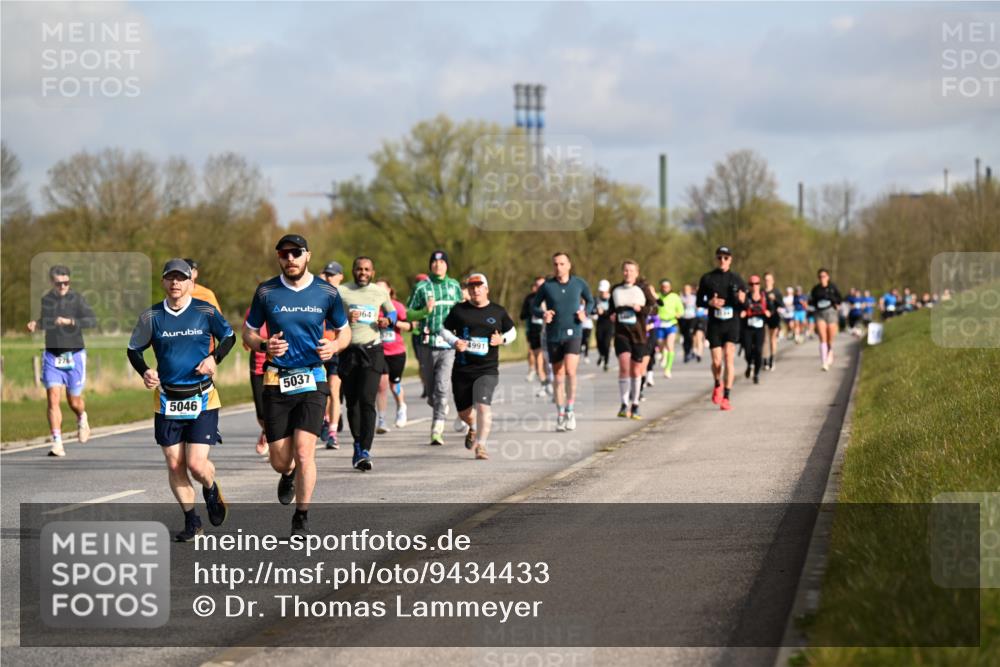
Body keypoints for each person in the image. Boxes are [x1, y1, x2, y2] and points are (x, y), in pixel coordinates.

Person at [242, 234, 350, 536]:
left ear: (308, 256)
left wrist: (335, 347)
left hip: (313, 378)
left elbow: (344, 331)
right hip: (276, 380)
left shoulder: (326, 292)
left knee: (304, 453)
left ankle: (301, 516)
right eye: (284, 254)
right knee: (280, 460)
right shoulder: (266, 291)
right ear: (278, 257)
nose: (290, 259)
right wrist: (264, 344)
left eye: (296, 253)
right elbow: (248, 333)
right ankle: (287, 474)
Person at [127, 259, 236, 542]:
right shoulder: (151, 316)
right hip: (167, 399)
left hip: (202, 396)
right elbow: (133, 349)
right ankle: (192, 521)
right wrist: (145, 371)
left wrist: (214, 358)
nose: (175, 283)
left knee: (197, 465)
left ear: (190, 282)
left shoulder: (205, 310)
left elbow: (229, 336)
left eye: (181, 278)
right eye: (170, 278)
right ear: (163, 282)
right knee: (175, 464)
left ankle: (211, 489)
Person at [440, 273, 517, 460]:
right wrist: (454, 341)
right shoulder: (459, 310)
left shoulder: (497, 311)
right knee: (464, 412)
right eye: (472, 287)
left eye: (479, 286)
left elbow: (512, 332)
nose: (475, 290)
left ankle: (481, 445)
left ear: (486, 289)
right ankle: (473, 426)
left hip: (487, 369)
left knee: (483, 406)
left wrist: (502, 339)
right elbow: (443, 329)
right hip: (462, 369)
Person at [26, 265, 97, 457]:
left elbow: (91, 321)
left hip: (74, 355)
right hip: (52, 355)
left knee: (74, 401)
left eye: (66, 282)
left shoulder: (78, 299)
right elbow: (46, 321)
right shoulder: (47, 300)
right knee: (53, 398)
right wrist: (36, 324)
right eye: (59, 283)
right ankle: (57, 442)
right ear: (52, 282)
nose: (63, 286)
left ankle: (82, 417)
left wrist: (70, 321)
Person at [338, 257, 397, 470]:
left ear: (372, 272)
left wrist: (388, 321)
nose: (363, 272)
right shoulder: (342, 291)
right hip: (348, 352)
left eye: (366, 269)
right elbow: (328, 318)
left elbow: (392, 312)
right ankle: (357, 443)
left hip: (372, 351)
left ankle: (365, 449)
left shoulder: (379, 292)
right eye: (359, 269)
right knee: (352, 403)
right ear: (353, 270)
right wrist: (345, 317)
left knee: (367, 400)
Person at [531, 252, 595, 432]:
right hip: (553, 335)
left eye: (561, 264)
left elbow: (590, 301)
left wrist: (585, 312)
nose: (558, 267)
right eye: (555, 264)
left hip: (574, 332)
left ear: (569, 265)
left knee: (570, 371)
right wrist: (543, 314)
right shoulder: (547, 286)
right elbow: (534, 306)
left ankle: (570, 410)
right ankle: (560, 414)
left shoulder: (579, 283)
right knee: (558, 375)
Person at [406, 251, 463, 446]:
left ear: (447, 265)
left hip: (448, 345)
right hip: (427, 343)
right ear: (430, 265)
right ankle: (438, 403)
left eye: (442, 262)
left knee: (442, 386)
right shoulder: (421, 287)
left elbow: (462, 311)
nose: (438, 265)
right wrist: (425, 311)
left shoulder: (454, 286)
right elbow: (408, 314)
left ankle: (437, 429)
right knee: (431, 392)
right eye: (435, 262)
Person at [696, 245, 747, 411]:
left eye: (726, 258)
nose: (722, 260)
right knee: (717, 362)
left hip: (732, 323)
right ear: (716, 259)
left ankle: (726, 397)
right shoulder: (707, 278)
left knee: (728, 357)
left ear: (730, 260)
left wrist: (742, 300)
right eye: (719, 257)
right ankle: (717, 383)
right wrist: (710, 303)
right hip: (715, 324)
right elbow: (699, 301)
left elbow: (745, 304)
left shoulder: (737, 279)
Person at [610, 260, 657, 419]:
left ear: (636, 273)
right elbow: (611, 309)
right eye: (625, 270)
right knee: (624, 366)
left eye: (631, 271)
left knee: (636, 370)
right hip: (621, 333)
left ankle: (635, 404)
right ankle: (624, 405)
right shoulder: (616, 290)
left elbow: (654, 309)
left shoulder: (642, 289)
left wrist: (641, 309)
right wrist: (611, 314)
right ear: (622, 272)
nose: (628, 273)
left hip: (638, 335)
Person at [375, 279, 410, 432]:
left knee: (394, 385)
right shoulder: (372, 306)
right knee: (381, 385)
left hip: (396, 352)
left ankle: (401, 406)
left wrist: (391, 322)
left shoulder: (397, 306)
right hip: (379, 351)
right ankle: (381, 420)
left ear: (389, 290)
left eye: (383, 289)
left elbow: (409, 326)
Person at [318, 261, 346, 449]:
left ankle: (333, 433)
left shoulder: (344, 296)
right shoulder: (317, 294)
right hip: (318, 349)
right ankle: (326, 419)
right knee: (323, 391)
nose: (328, 278)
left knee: (334, 390)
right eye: (326, 275)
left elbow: (346, 327)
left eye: (332, 275)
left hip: (336, 350)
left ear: (340, 277)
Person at [243, 307, 269, 456]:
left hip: (278, 366)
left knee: (276, 407)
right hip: (258, 366)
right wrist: (248, 342)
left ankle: (272, 438)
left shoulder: (284, 308)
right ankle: (266, 430)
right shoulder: (252, 311)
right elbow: (246, 336)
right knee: (261, 412)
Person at [809, 268, 843, 371]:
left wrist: (834, 301)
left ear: (828, 277)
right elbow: (811, 301)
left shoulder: (833, 287)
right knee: (822, 337)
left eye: (824, 276)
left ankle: (830, 350)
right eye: (820, 277)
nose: (822, 278)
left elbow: (840, 299)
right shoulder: (816, 289)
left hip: (831, 312)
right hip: (820, 313)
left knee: (830, 338)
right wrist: (809, 305)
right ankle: (824, 362)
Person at [741, 275, 770, 384]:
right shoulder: (746, 297)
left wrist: (768, 312)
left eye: (756, 283)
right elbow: (740, 307)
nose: (754, 286)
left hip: (760, 328)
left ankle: (756, 373)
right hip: (747, 328)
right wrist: (743, 312)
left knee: (758, 351)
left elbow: (772, 308)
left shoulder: (764, 296)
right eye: (751, 284)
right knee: (748, 351)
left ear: (759, 284)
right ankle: (750, 364)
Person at [519, 277, 547, 383]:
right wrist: (533, 312)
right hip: (533, 330)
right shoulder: (530, 298)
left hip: (549, 330)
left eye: (542, 285)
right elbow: (522, 315)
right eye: (538, 285)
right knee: (534, 353)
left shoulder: (550, 297)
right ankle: (534, 370)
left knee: (546, 357)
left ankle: (546, 379)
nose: (540, 287)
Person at [655, 279, 684, 378]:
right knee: (660, 343)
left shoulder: (675, 297)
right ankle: (663, 353)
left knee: (669, 345)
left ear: (670, 287)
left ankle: (668, 369)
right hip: (660, 324)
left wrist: (678, 314)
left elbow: (681, 310)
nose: (665, 288)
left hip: (671, 323)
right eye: (663, 286)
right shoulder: (657, 296)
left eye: (667, 287)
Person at [762, 272, 783, 371]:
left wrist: (775, 299)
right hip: (764, 318)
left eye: (769, 280)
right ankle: (765, 360)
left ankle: (772, 359)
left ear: (773, 281)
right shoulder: (762, 292)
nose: (767, 282)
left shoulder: (777, 292)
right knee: (764, 339)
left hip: (774, 318)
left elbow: (782, 305)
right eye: (766, 280)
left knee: (772, 339)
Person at [593, 279, 614, 371]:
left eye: (604, 291)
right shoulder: (596, 299)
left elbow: (613, 311)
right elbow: (592, 310)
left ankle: (606, 362)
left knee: (606, 343)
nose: (602, 293)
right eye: (601, 291)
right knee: (599, 342)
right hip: (600, 323)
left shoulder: (612, 299)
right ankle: (601, 355)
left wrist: (604, 312)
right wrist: (595, 312)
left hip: (609, 323)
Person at [679, 283, 697, 363]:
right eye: (685, 289)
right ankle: (686, 352)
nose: (686, 291)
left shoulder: (694, 298)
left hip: (692, 318)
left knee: (690, 335)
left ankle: (691, 350)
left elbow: (697, 307)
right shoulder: (680, 298)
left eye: (687, 289)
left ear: (690, 290)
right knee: (684, 336)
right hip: (683, 318)